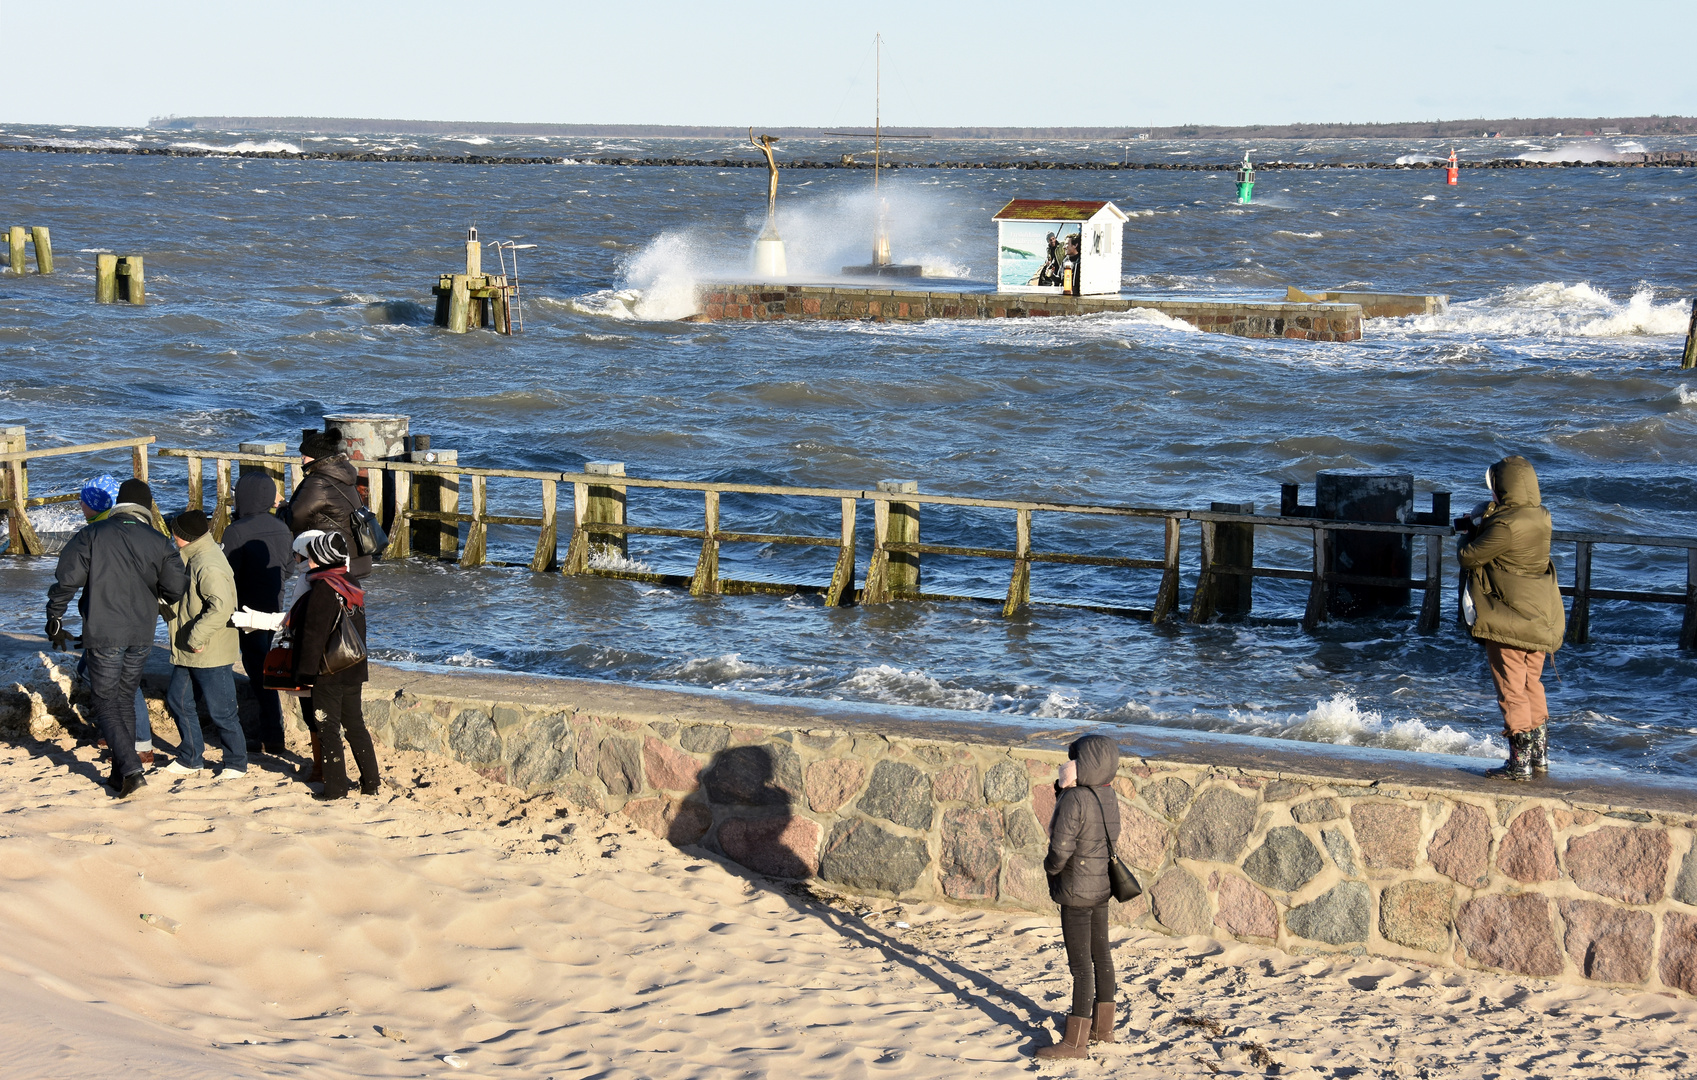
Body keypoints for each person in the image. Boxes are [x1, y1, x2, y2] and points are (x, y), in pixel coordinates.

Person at [45, 478, 187, 798]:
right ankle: (118, 773)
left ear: (119, 503)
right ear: (147, 508)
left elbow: (67, 580)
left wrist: (54, 617)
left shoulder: (93, 534)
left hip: (105, 630)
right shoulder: (159, 540)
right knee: (124, 698)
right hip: (142, 631)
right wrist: (155, 595)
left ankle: (133, 770)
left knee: (106, 701)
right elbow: (177, 588)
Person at [1457, 455, 1565, 781]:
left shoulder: (1503, 525)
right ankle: (1540, 757)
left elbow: (1469, 556)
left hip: (1508, 621)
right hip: (1539, 616)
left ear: (1504, 490)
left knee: (1511, 689)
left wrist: (1466, 530)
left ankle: (1518, 765)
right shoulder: (1541, 517)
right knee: (1533, 684)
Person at [1037, 733, 1122, 1060]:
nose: (1067, 763)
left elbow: (1060, 848)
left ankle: (1074, 1043)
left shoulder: (1075, 799)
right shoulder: (1107, 794)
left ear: (1087, 763)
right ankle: (1103, 1030)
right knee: (1101, 954)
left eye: (1074, 758)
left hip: (1076, 890)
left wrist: (1051, 868)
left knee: (1080, 966)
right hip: (1100, 886)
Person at [66, 475, 156, 765]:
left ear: (97, 504)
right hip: (118, 621)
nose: (80, 503)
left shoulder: (103, 530)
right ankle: (117, 732)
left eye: (85, 499)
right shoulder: (110, 526)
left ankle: (139, 743)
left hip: (115, 623)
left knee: (122, 688)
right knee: (94, 674)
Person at [287, 530, 380, 800]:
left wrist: (304, 673)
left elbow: (313, 636)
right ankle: (371, 782)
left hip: (329, 670)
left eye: (314, 556)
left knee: (327, 726)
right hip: (353, 666)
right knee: (355, 725)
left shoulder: (323, 588)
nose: (310, 561)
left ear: (325, 559)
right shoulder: (350, 582)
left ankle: (336, 788)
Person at [160, 510, 249, 779]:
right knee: (178, 700)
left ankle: (236, 763)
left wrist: (196, 637)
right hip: (190, 650)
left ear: (181, 536)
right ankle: (190, 757)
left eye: (173, 532)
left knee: (222, 711)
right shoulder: (194, 556)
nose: (171, 536)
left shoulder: (207, 563)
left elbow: (221, 608)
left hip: (209, 650)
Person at [221, 471, 294, 754]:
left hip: (245, 609)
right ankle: (273, 731)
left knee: (256, 668)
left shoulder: (236, 531)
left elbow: (226, 573)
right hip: (274, 605)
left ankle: (271, 733)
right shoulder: (281, 527)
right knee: (268, 666)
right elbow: (288, 568)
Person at [288, 428, 372, 579]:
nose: (302, 459)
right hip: (353, 556)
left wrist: (281, 508)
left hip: (331, 559)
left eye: (304, 455)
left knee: (324, 600)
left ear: (316, 457)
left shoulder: (319, 481)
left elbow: (294, 518)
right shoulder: (342, 474)